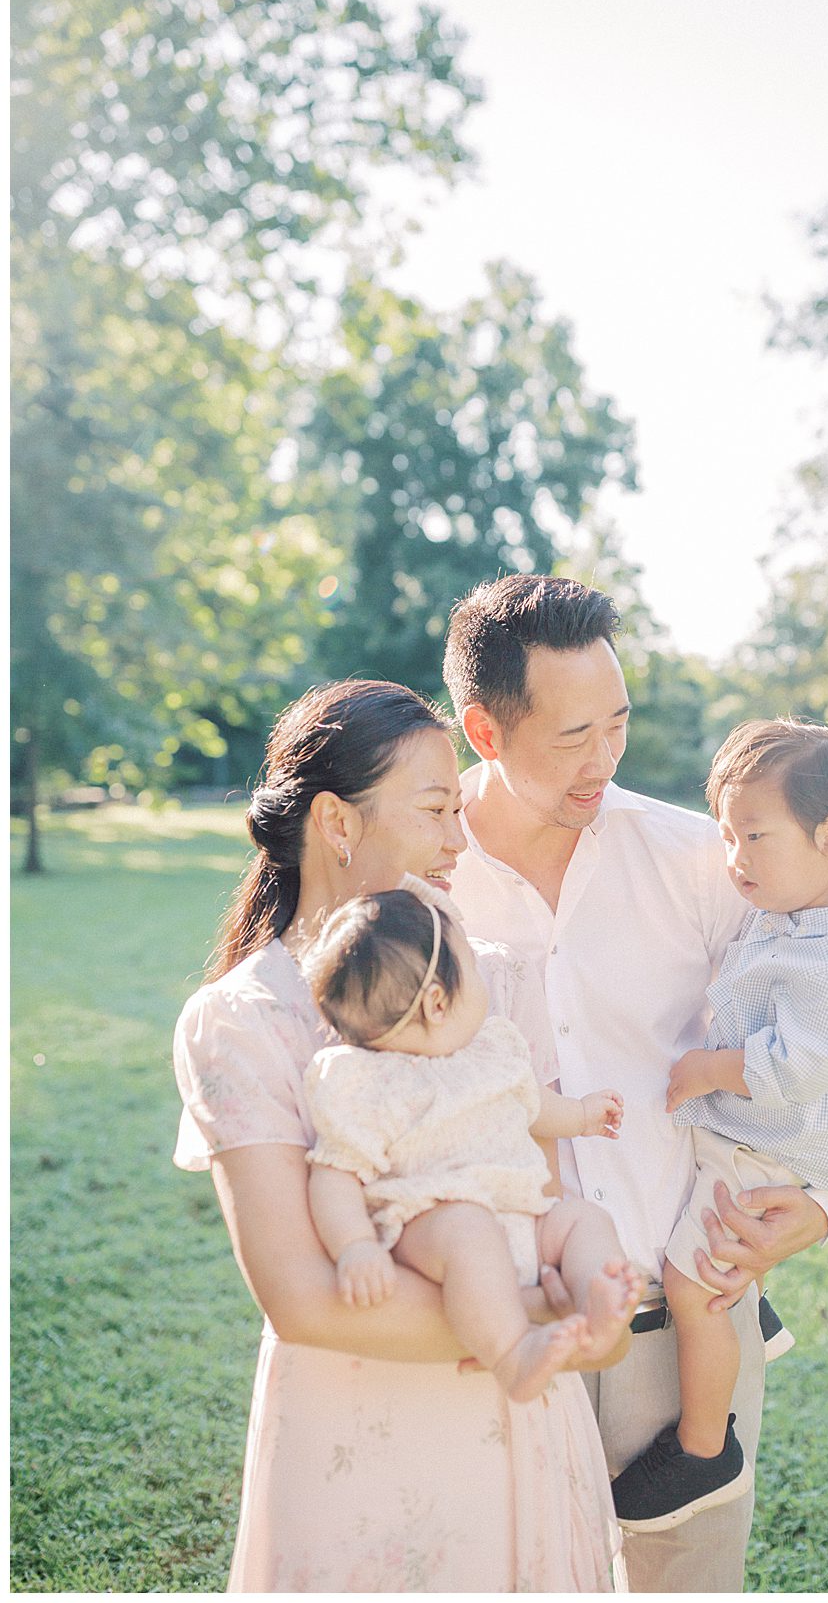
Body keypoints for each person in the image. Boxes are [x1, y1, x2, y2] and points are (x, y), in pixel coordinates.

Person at [172, 678, 624, 1593]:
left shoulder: (483, 972)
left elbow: (537, 1198)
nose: (458, 839)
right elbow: (302, 1299)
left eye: (458, 808)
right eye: (433, 809)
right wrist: (542, 1314)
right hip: (360, 1438)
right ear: (338, 822)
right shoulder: (242, 1020)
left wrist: (592, 1300)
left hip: (520, 1420)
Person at [444, 575, 828, 1593]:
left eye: (617, 721)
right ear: (484, 729)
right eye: (573, 734)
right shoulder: (422, 881)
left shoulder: (700, 862)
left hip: (688, 1316)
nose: (604, 758)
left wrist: (824, 1202)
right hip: (497, 1322)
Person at [610, 718, 828, 1529]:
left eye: (753, 835)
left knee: (693, 1284)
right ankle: (748, 1308)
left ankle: (705, 1447)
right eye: (725, 834)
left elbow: (787, 1074)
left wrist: (707, 1069)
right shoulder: (790, 909)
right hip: (747, 1139)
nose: (734, 859)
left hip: (771, 1148)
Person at [302, 885, 642, 1400]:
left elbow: (534, 1106)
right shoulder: (365, 1081)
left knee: (582, 1219)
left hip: (525, 1215)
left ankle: (599, 1292)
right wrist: (354, 1246)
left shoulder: (493, 1047)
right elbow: (335, 1172)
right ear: (439, 1002)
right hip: (433, 1223)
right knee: (469, 1227)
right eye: (472, 966)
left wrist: (583, 1115)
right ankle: (512, 1354)